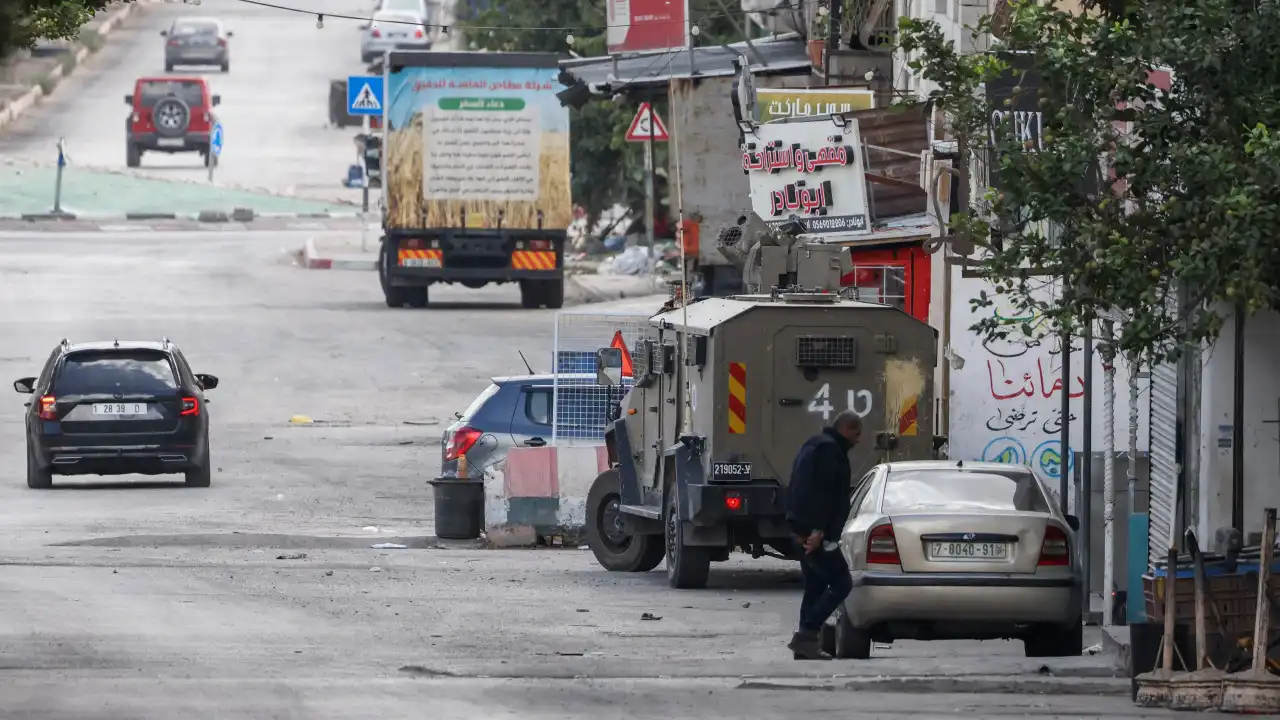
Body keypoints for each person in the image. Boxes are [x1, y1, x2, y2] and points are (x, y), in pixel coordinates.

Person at [785, 410, 862, 660]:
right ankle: (806, 635)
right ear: (845, 429)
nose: (858, 439)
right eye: (856, 433)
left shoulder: (814, 444)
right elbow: (822, 494)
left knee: (815, 586)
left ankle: (806, 646)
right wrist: (818, 530)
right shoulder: (830, 451)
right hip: (816, 534)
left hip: (800, 529)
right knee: (842, 583)